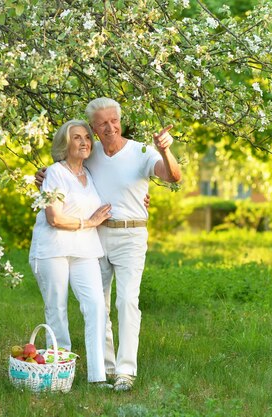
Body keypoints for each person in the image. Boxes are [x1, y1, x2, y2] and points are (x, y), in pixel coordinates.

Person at [36, 97, 181, 391]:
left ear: (120, 120)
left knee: (127, 301)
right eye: (102, 123)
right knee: (98, 305)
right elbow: (66, 173)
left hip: (131, 235)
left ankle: (126, 373)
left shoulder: (142, 151)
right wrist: (42, 177)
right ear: (94, 127)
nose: (110, 127)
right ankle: (105, 368)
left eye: (114, 120)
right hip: (97, 236)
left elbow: (173, 176)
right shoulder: (92, 151)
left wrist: (165, 151)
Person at [28, 119, 112, 387]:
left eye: (87, 137)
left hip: (85, 249)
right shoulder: (54, 172)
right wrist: (90, 223)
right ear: (65, 144)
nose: (84, 141)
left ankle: (97, 377)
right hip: (52, 249)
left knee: (96, 306)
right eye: (77, 137)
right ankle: (60, 372)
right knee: (57, 309)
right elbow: (54, 218)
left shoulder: (91, 175)